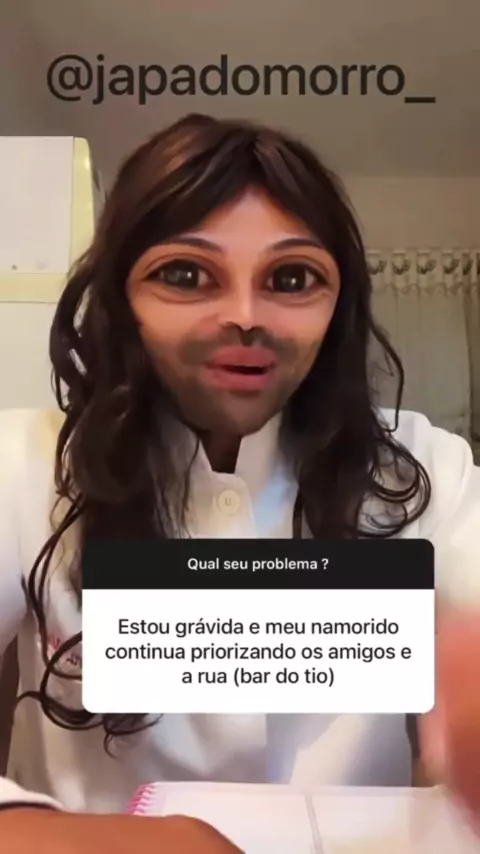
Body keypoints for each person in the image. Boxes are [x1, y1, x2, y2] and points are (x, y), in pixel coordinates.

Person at [0, 112, 480, 851]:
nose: (245, 317)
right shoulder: (24, 462)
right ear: (120, 296)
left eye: (291, 279)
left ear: (339, 306)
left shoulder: (425, 467)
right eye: (185, 275)